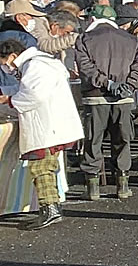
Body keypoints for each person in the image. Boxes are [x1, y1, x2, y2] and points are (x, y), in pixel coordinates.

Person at [0, 32, 83, 230]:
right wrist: (8, 94)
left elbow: (32, 95)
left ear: (12, 56)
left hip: (47, 125)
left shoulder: (35, 66)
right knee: (48, 166)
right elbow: (27, 89)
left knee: (41, 167)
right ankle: (52, 207)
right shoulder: (43, 62)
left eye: (3, 61)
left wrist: (10, 100)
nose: (5, 67)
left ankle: (50, 209)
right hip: (55, 123)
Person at [72, 2, 138, 199]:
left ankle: (93, 188)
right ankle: (122, 185)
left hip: (95, 97)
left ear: (92, 19)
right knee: (122, 140)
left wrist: (106, 83)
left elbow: (86, 68)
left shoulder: (84, 39)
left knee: (93, 141)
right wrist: (127, 87)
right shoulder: (131, 40)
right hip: (123, 100)